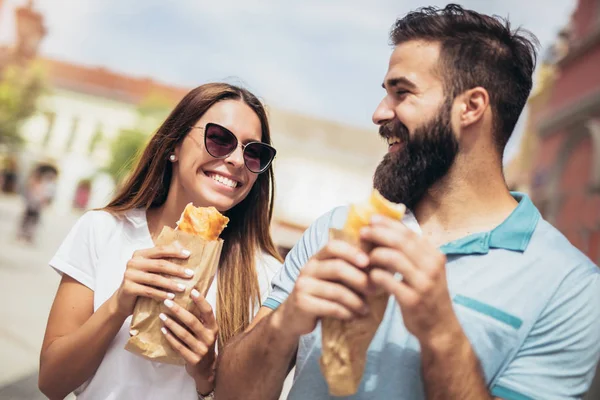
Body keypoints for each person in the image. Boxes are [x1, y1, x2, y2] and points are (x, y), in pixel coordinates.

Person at [215, 5, 600, 400]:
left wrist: (442, 333)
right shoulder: (337, 229)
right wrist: (285, 322)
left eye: (402, 92)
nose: (379, 113)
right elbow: (231, 393)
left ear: (471, 107)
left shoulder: (570, 289)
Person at [38, 83, 283, 400]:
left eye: (254, 152)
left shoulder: (266, 276)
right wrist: (118, 304)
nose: (237, 159)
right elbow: (51, 383)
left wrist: (208, 375)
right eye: (219, 139)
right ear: (175, 145)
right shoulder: (104, 230)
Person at [17, 164, 57, 244]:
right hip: (32, 203)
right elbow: (29, 190)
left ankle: (28, 235)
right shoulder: (35, 180)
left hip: (37, 204)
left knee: (33, 219)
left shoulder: (45, 182)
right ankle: (23, 234)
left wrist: (44, 201)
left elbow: (46, 194)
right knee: (28, 218)